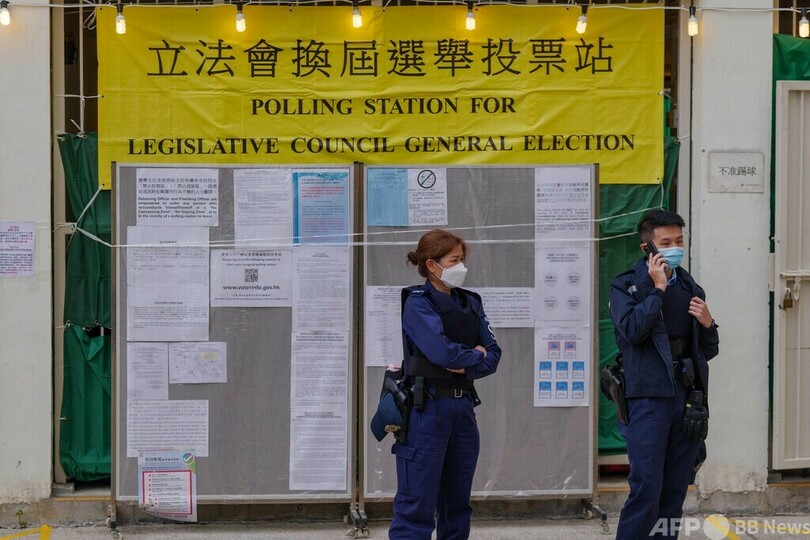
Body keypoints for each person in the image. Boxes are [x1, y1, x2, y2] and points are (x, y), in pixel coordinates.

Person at [609, 209, 719, 539]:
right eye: (666, 242)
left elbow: (707, 350)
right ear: (648, 248)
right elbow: (632, 331)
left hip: (685, 399)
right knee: (646, 488)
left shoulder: (690, 287)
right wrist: (657, 291)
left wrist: (708, 324)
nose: (675, 248)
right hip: (647, 398)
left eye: (679, 241)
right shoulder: (626, 286)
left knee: (674, 491)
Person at [389, 229, 501, 540]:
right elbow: (441, 353)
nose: (461, 266)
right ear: (431, 265)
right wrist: (475, 355)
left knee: (457, 506)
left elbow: (494, 355)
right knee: (416, 506)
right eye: (454, 260)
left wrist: (466, 362)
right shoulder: (418, 303)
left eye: (462, 259)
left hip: (462, 408)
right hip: (426, 410)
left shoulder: (471, 302)